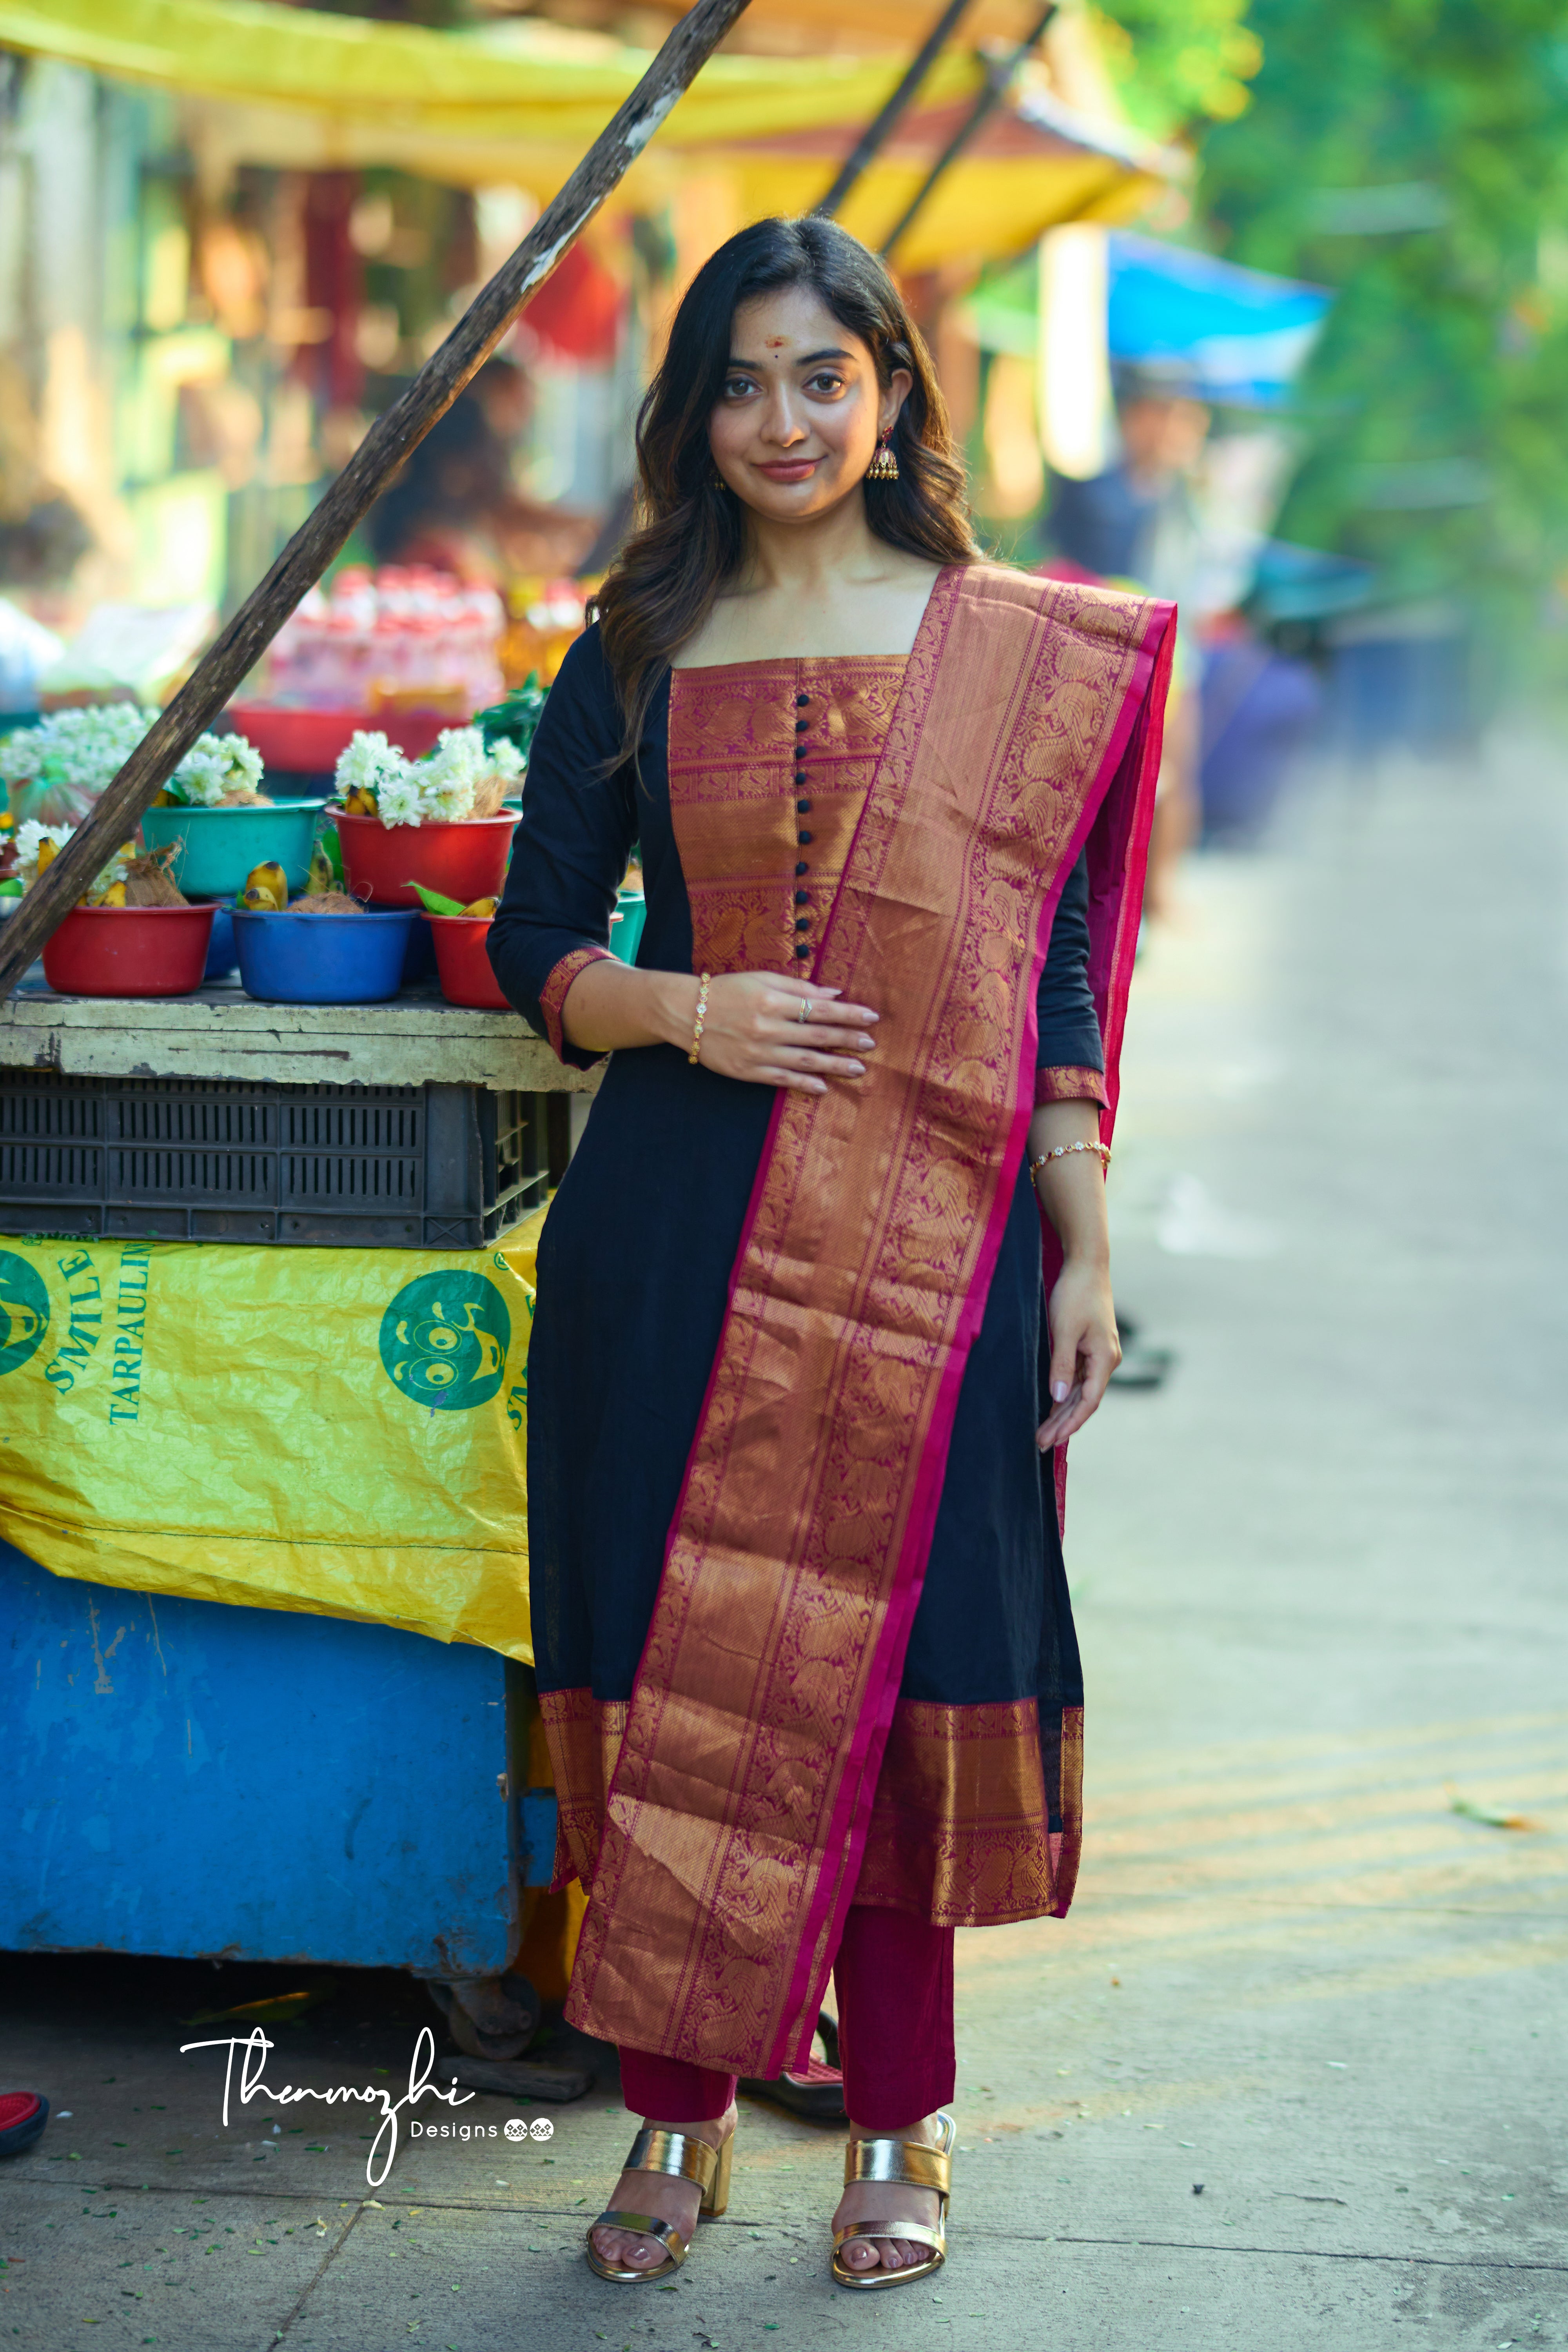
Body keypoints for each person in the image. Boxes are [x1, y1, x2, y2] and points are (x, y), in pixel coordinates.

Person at [488, 216, 1173, 2294]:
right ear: (695, 410)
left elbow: (1053, 968)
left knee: (902, 1672)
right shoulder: (629, 648)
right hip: (671, 1225)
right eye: (740, 380)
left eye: (821, 374)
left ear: (890, 393)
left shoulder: (1007, 648)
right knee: (673, 1668)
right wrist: (682, 1007)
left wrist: (1084, 1244)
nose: (781, 420)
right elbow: (535, 946)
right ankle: (679, 2128)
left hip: (940, 1245)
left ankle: (904, 2120)